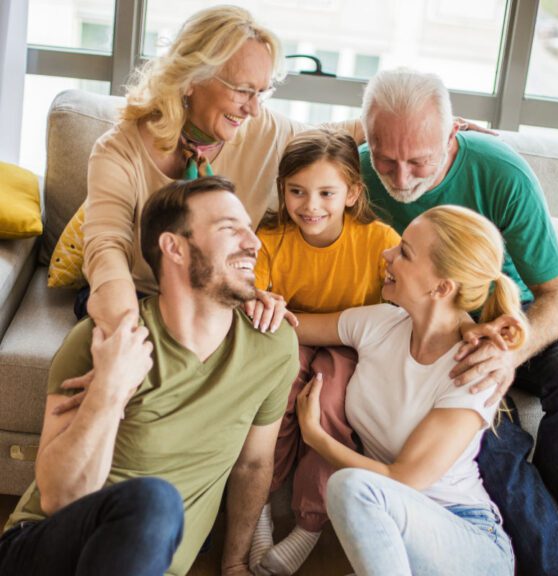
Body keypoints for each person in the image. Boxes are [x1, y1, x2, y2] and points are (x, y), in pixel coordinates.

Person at [0, 176, 299, 576]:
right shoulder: (102, 341)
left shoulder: (273, 347)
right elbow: (57, 498)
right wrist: (109, 389)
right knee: (157, 501)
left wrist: (235, 563)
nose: (253, 242)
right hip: (43, 550)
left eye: (249, 227)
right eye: (230, 228)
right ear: (173, 247)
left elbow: (253, 465)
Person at [359, 67, 558, 576]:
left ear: (452, 132)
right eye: (386, 159)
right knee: (491, 446)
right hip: (441, 340)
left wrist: (509, 352)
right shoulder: (358, 169)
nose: (403, 178)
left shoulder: (501, 172)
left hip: (521, 320)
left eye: (419, 160)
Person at [81, 5, 363, 334]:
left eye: (262, 92)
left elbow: (336, 135)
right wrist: (125, 326)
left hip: (217, 298)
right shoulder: (119, 150)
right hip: (141, 297)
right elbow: (106, 247)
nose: (254, 109)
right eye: (242, 90)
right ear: (190, 79)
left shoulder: (264, 130)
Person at [296, 205, 525, 576]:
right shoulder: (380, 324)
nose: (387, 255)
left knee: (352, 487)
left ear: (441, 287)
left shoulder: (473, 370)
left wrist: (316, 437)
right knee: (354, 488)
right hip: (393, 533)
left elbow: (403, 480)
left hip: (468, 538)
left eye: (404, 252)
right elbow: (290, 326)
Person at [249, 128, 400, 575]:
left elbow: (399, 308)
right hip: (288, 337)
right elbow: (250, 292)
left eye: (326, 193)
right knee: (274, 400)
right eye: (296, 191)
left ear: (352, 193)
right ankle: (256, 509)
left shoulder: (379, 241)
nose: (310, 205)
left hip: (352, 344)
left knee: (330, 406)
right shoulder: (271, 237)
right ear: (282, 190)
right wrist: (258, 299)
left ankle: (310, 523)